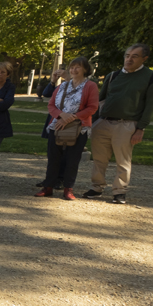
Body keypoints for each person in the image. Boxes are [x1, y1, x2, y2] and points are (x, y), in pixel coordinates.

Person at [84, 44, 153, 204]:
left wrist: (140, 128)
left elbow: (150, 105)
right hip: (103, 122)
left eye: (134, 56)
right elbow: (99, 100)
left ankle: (119, 191)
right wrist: (93, 122)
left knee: (123, 160)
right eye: (127, 55)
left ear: (144, 58)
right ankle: (97, 187)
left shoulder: (151, 77)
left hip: (127, 124)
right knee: (99, 158)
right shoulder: (113, 76)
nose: (129, 59)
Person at [36, 57, 99, 199]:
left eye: (77, 67)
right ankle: (48, 186)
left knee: (72, 158)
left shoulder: (90, 86)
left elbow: (93, 107)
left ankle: (68, 188)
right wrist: (61, 115)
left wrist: (73, 117)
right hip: (57, 125)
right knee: (53, 158)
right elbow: (51, 105)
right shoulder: (62, 86)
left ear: (85, 70)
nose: (73, 70)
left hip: (78, 127)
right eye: (72, 67)